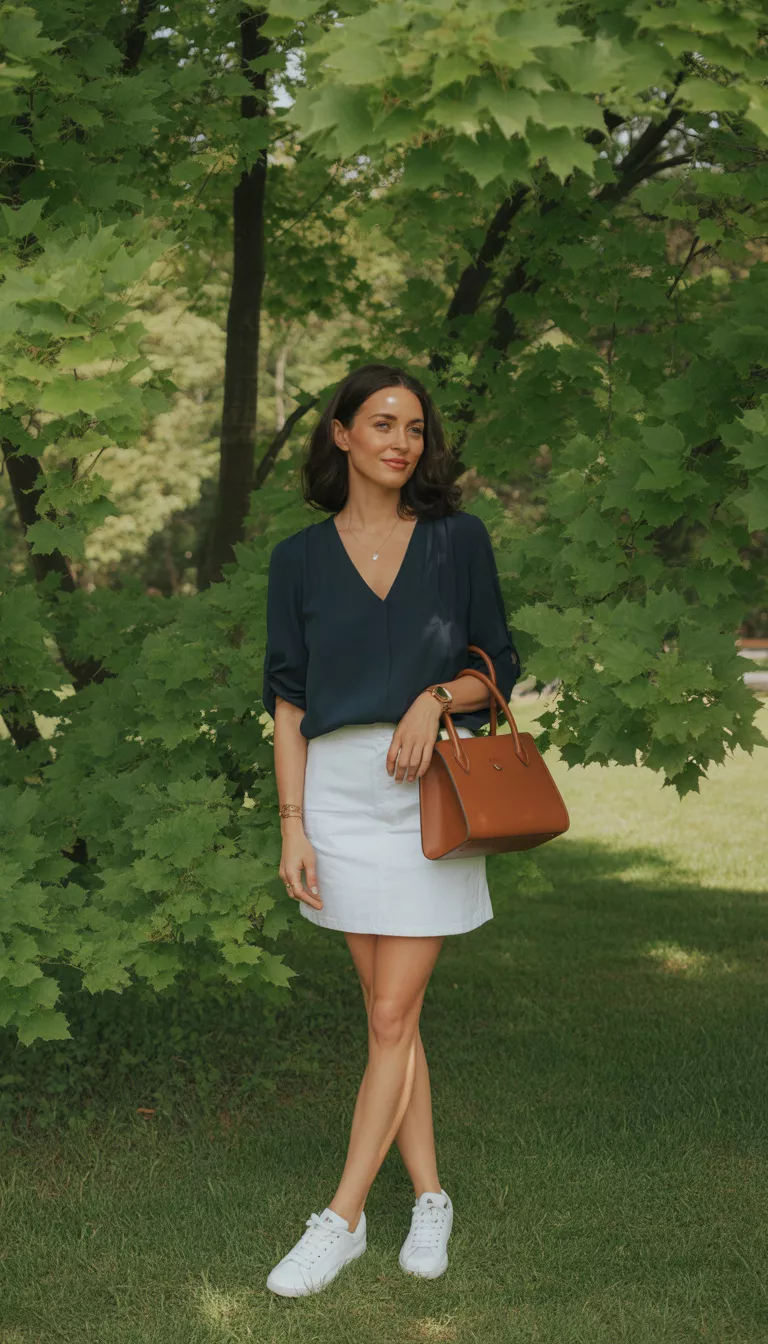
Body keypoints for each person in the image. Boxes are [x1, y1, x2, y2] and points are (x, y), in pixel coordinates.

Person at [261, 362, 521, 1297]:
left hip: (431, 795)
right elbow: (288, 703)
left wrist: (432, 696)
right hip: (333, 796)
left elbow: (498, 666)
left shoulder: (458, 542)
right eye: (381, 423)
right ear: (340, 435)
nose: (402, 441)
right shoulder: (297, 559)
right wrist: (292, 825)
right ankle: (433, 1196)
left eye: (415, 427)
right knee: (391, 1022)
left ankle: (340, 1219)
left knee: (388, 1015)